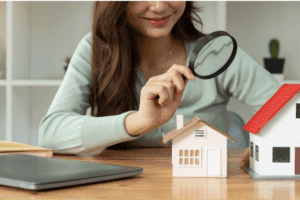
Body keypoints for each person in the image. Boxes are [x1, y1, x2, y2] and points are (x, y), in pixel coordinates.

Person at [38, 1, 281, 168]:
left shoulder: (214, 53)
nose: (159, 6)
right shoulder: (97, 49)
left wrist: (271, 140)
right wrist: (138, 122)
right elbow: (50, 133)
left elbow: (288, 109)